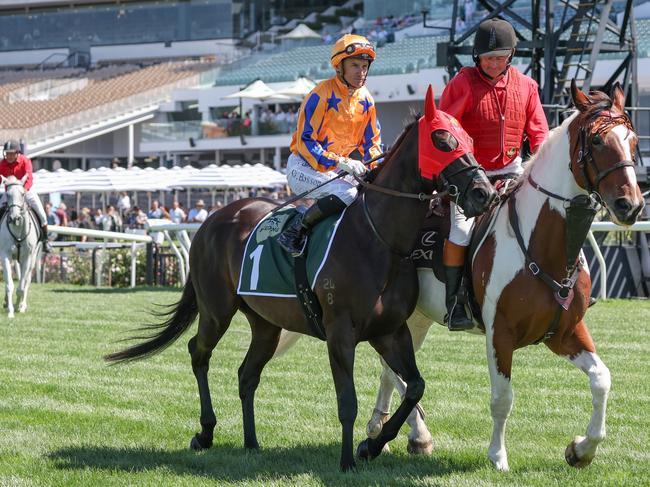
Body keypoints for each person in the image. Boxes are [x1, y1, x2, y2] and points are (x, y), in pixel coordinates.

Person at [438, 17, 549, 330]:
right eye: (489, 58)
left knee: (550, 214)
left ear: (511, 56)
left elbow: (539, 132)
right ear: (477, 57)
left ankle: (563, 282)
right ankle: (455, 300)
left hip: (513, 170)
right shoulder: (462, 82)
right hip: (471, 176)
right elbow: (445, 129)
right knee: (460, 230)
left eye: (501, 58)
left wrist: (539, 166)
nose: (494, 63)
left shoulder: (527, 86)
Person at [277, 34, 383, 255]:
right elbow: (306, 143)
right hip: (304, 166)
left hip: (336, 169)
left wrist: (377, 169)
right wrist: (342, 161)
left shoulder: (366, 100)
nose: (361, 72)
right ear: (339, 66)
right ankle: (296, 229)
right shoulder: (319, 95)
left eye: (364, 66)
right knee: (348, 194)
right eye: (354, 65)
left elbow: (372, 144)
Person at [0, 140, 53, 252]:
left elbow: (29, 178)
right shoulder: (2, 164)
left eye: (11, 153)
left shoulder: (25, 161)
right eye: (7, 153)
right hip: (10, 193)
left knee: (42, 214)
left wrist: (24, 189)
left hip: (26, 191)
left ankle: (45, 240)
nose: (8, 156)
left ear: (17, 153)